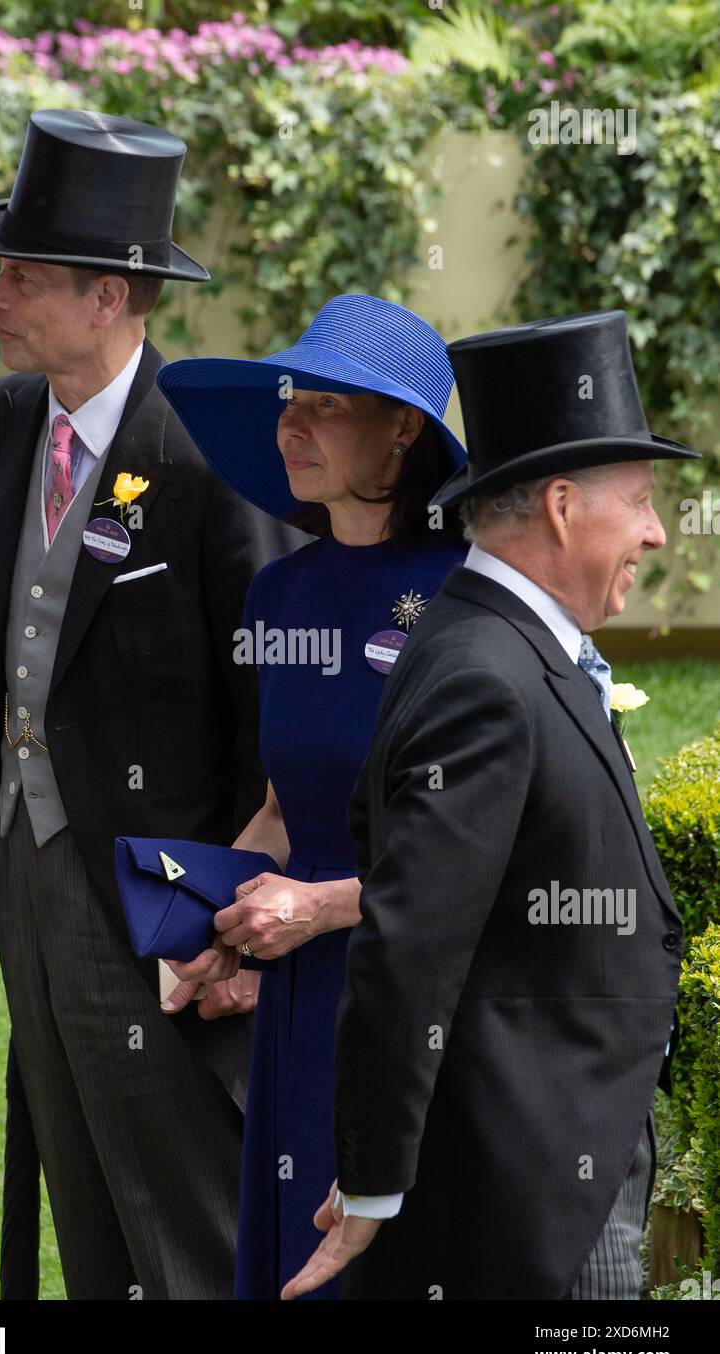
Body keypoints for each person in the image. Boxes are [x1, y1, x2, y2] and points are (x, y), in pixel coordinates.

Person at [282, 309, 699, 1301]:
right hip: (537, 1210)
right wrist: (375, 1180)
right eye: (638, 502)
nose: (650, 530)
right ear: (560, 505)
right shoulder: (486, 674)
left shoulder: (508, 646)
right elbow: (406, 946)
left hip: (566, 1166)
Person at [0, 109, 296, 1300]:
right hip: (25, 858)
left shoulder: (206, 458)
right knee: (83, 1201)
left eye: (24, 276)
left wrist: (237, 910)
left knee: (184, 1223)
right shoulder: (6, 422)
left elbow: (272, 709)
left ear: (110, 297)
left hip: (160, 897)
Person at [156, 293, 468, 1299]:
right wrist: (212, 918)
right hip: (298, 1004)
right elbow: (285, 811)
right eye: (288, 402)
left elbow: (480, 853)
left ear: (402, 427)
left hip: (407, 994)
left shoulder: (465, 597)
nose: (289, 424)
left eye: (324, 405)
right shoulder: (277, 595)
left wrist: (321, 905)